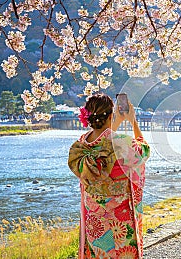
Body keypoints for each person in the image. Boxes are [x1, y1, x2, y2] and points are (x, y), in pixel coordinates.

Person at [68, 93, 150, 259]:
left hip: (94, 215)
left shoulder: (81, 144)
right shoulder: (121, 142)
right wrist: (132, 121)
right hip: (119, 216)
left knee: (99, 252)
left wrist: (116, 122)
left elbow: (104, 141)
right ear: (111, 115)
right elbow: (144, 151)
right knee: (121, 253)